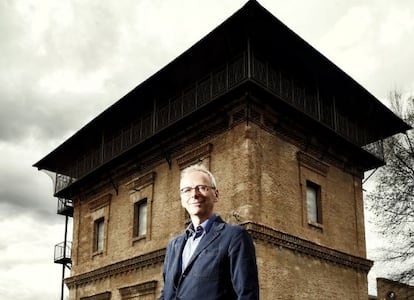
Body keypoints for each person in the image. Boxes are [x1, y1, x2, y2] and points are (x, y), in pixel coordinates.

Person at [159, 164, 259, 300]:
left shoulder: (234, 237)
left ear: (216, 195)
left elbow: (247, 295)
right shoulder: (173, 246)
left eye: (202, 188)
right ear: (182, 200)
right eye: (187, 190)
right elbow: (166, 294)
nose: (194, 194)